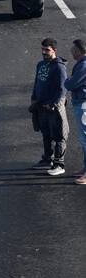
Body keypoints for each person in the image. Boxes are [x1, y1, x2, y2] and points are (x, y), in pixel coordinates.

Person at [30, 38, 68, 176]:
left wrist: (53, 104)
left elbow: (62, 89)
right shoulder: (40, 65)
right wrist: (34, 98)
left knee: (59, 135)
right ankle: (48, 159)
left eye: (47, 50)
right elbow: (37, 82)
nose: (44, 52)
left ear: (54, 50)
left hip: (53, 108)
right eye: (42, 49)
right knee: (46, 134)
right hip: (41, 107)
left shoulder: (59, 67)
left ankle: (59, 163)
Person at [63, 39, 86, 184]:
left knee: (85, 139)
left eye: (73, 49)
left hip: (83, 104)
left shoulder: (84, 65)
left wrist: (67, 80)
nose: (71, 51)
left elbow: (70, 84)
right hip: (81, 102)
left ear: (79, 50)